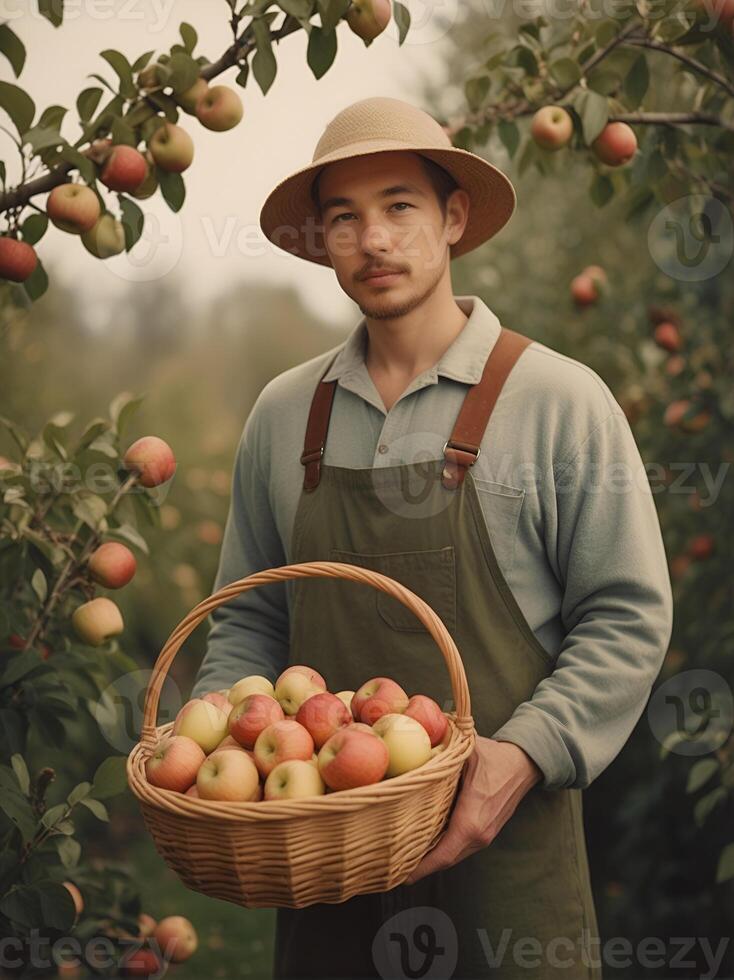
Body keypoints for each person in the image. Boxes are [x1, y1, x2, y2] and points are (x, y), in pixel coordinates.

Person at [191, 96, 674, 979]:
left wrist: (524, 755)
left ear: (453, 217)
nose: (373, 240)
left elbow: (627, 614)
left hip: (509, 888)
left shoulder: (559, 402)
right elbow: (249, 624)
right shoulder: (284, 415)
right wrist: (219, 754)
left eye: (400, 206)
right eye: (344, 217)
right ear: (323, 241)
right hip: (325, 882)